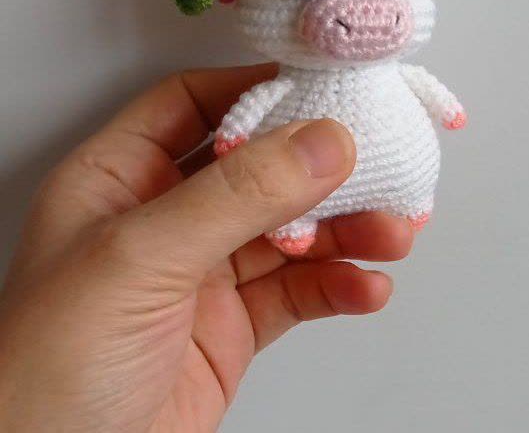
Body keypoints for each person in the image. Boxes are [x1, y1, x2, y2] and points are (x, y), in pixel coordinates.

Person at [0, 64, 414, 431]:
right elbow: (247, 115)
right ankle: (300, 223)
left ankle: (411, 203)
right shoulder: (286, 85)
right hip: (297, 202)